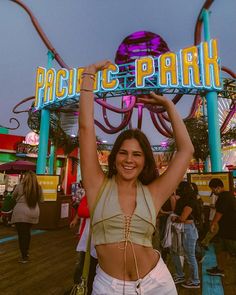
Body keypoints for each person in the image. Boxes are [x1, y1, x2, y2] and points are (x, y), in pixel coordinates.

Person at [79, 60, 194, 294]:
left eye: (137, 154)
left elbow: (186, 151)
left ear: (145, 161)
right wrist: (88, 77)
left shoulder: (154, 192)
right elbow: (86, 129)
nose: (129, 159)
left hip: (157, 282)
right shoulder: (97, 186)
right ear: (114, 158)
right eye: (123, 152)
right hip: (109, 286)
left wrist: (169, 107)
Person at [171, 181, 200, 289]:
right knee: (185, 254)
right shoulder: (191, 200)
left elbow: (183, 218)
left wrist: (175, 218)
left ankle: (195, 280)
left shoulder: (189, 202)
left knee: (190, 256)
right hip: (187, 230)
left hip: (188, 230)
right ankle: (185, 276)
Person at [206, 178, 236, 277]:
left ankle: (221, 268)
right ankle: (220, 268)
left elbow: (220, 212)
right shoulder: (227, 195)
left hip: (230, 229)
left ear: (218, 187)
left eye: (213, 189)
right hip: (226, 229)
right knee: (223, 250)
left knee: (231, 249)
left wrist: (213, 223)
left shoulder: (224, 197)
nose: (212, 192)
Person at [11, 171, 43, 263]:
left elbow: (13, 196)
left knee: (22, 235)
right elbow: (41, 200)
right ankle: (26, 253)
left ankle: (24, 256)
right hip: (33, 212)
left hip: (21, 213)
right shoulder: (38, 188)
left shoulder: (20, 186)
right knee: (27, 233)